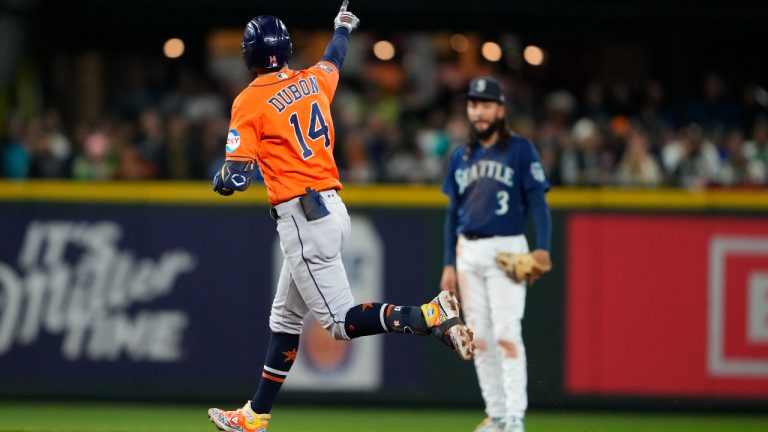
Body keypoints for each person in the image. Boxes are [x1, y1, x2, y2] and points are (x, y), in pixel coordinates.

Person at [206, 4, 474, 432]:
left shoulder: (248, 101)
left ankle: (428, 315)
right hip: (331, 207)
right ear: (287, 49)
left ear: (248, 54)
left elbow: (237, 175)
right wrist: (343, 27)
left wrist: (222, 178)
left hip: (302, 219)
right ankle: (256, 414)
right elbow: (334, 57)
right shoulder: (312, 80)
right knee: (285, 319)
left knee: (339, 323)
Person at [440, 77, 552, 432]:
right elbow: (452, 213)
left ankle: (515, 418)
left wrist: (543, 248)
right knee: (480, 337)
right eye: (474, 104)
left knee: (505, 331)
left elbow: (537, 200)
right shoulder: (460, 155)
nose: (479, 110)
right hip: (467, 251)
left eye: (486, 104)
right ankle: (498, 415)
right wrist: (448, 263)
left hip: (507, 249)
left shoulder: (520, 150)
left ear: (500, 109)